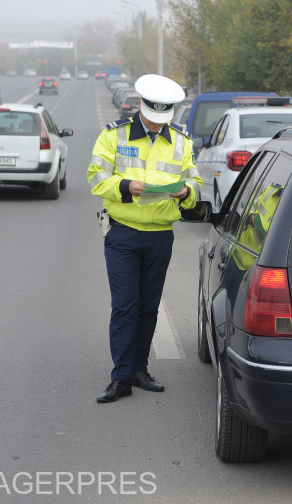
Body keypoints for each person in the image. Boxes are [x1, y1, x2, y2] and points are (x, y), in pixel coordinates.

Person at [87, 74, 203, 403]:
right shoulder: (113, 135)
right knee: (125, 306)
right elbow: (96, 178)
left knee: (148, 308)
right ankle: (121, 376)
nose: (155, 127)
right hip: (122, 232)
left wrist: (186, 192)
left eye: (161, 121)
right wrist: (126, 187)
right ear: (140, 105)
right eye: (152, 119)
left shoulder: (181, 139)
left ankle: (140, 369)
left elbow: (195, 180)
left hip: (160, 235)